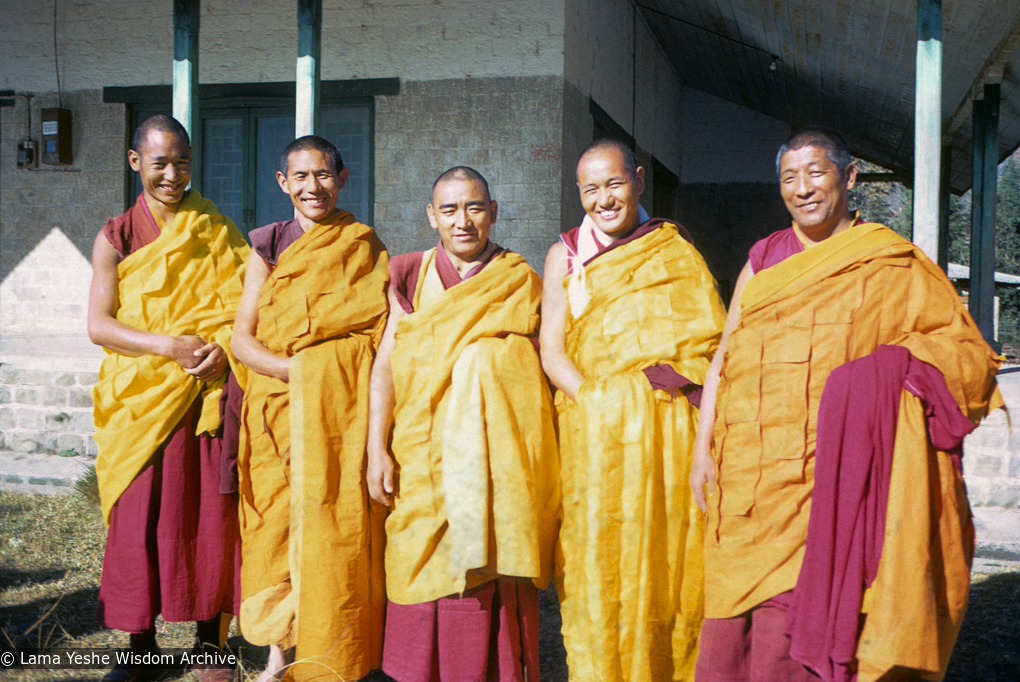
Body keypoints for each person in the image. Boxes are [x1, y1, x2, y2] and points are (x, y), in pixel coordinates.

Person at [690, 126, 1002, 682]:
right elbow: (724, 359)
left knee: (800, 632)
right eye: (789, 177)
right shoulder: (763, 261)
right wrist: (702, 450)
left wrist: (887, 372)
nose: (803, 188)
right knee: (727, 636)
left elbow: (965, 359)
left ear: (850, 177)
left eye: (817, 172)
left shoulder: (887, 262)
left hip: (829, 481)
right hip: (747, 480)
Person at [541, 139, 726, 681]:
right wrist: (601, 404)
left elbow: (709, 347)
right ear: (579, 193)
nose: (604, 199)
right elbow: (552, 350)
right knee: (598, 558)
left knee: (673, 559)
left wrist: (652, 399)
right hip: (595, 431)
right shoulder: (565, 254)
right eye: (591, 189)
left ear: (639, 180)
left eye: (615, 184)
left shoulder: (674, 249)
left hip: (670, 433)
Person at [367, 166, 559, 682]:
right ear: (432, 217)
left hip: (492, 467)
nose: (463, 221)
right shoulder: (409, 275)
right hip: (420, 455)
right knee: (413, 566)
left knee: (488, 572)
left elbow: (541, 376)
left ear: (493, 213)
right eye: (449, 210)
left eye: (474, 207)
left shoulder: (520, 280)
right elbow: (386, 363)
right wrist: (375, 447)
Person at [88, 114, 249, 682]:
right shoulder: (116, 235)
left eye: (182, 161)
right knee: (139, 520)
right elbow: (99, 326)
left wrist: (226, 350)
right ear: (137, 162)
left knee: (209, 520)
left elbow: (244, 313)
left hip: (206, 396)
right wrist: (168, 347)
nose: (173, 174)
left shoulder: (217, 230)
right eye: (160, 162)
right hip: (143, 398)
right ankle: (140, 649)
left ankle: (212, 647)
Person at [230, 135, 388, 682]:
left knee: (330, 525)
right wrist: (297, 373)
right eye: (300, 177)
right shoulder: (268, 245)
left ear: (343, 180)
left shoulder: (363, 246)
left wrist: (323, 377)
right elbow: (243, 340)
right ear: (283, 184)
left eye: (323, 175)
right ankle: (277, 654)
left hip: (336, 418)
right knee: (276, 524)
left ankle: (332, 651)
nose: (312, 187)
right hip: (278, 406)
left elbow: (377, 334)